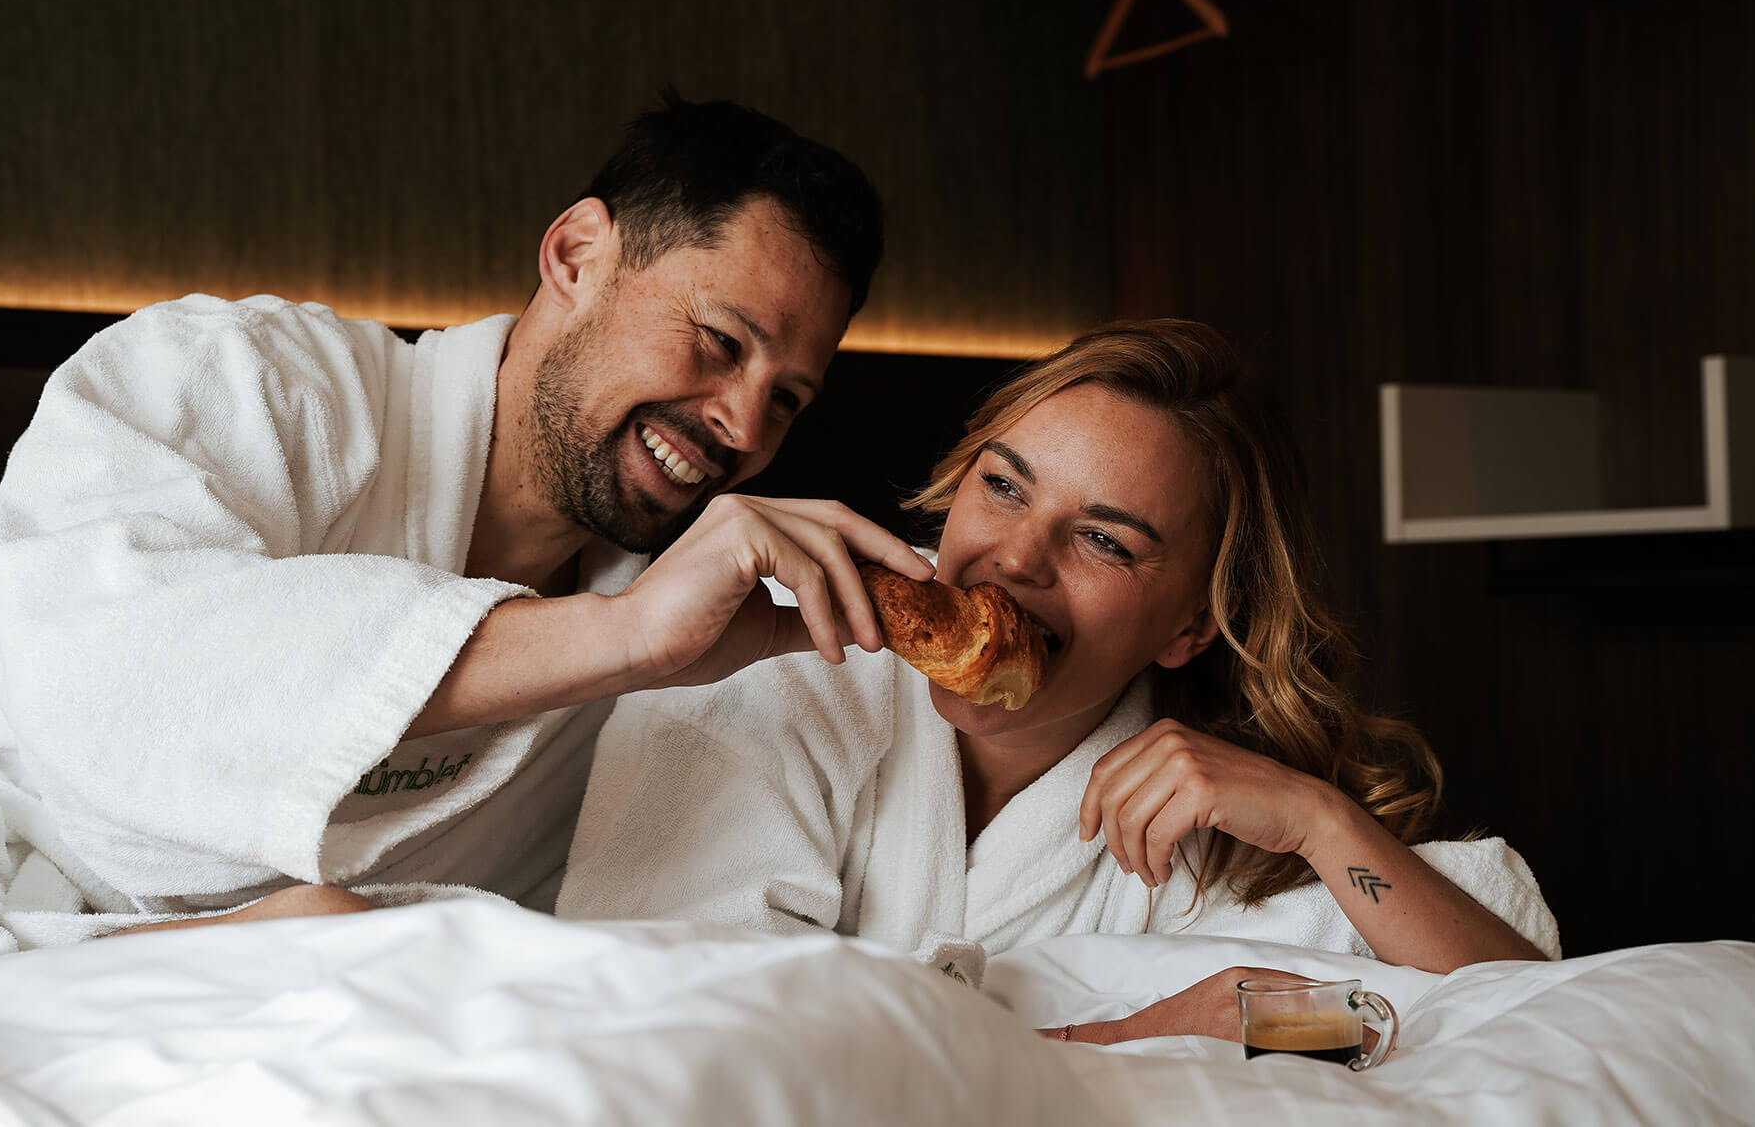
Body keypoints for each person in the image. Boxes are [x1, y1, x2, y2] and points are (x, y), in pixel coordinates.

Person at [0, 93, 932, 1004]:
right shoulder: (246, 378)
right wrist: (619, 636)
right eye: (719, 340)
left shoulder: (668, 650)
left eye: (785, 397)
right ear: (577, 252)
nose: (740, 425)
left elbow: (649, 918)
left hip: (277, 990)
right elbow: (114, 687)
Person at [556, 319, 1559, 1044]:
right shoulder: (785, 658)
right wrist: (1116, 1043)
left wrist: (1323, 822)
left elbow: (1542, 1009)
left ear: (1189, 623)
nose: (1016, 558)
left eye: (1104, 539)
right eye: (1002, 486)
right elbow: (663, 1023)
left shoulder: (1210, 810)